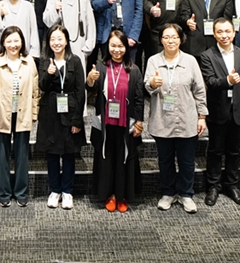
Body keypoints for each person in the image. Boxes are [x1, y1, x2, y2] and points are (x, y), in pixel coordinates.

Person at [145, 23, 208, 214]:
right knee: (165, 160)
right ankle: (167, 193)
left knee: (186, 161)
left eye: (174, 37)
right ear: (161, 40)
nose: (170, 41)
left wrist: (202, 116)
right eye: (166, 37)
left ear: (181, 39)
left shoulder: (190, 61)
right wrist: (152, 84)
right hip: (162, 119)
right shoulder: (153, 61)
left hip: (186, 119)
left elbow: (199, 90)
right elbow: (147, 86)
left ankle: (186, 194)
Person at [0, 25, 40, 207]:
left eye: (16, 40)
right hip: (2, 113)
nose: (13, 45)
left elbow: (35, 90)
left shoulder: (29, 61)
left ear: (22, 42)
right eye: (9, 41)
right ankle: (4, 193)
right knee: (2, 155)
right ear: (3, 43)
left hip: (22, 113)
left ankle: (21, 192)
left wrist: (34, 113)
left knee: (22, 155)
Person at [199, 18, 240, 207]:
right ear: (214, 34)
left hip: (238, 110)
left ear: (234, 32)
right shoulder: (207, 55)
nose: (224, 35)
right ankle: (213, 186)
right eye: (220, 32)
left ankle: (232, 185)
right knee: (215, 151)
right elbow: (210, 82)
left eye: (227, 31)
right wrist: (228, 81)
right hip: (217, 111)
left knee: (234, 151)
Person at [88, 30, 144, 213]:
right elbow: (92, 90)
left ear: (126, 47)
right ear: (108, 47)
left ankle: (122, 196)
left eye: (120, 46)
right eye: (113, 46)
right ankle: (109, 195)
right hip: (105, 123)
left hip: (126, 123)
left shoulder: (134, 70)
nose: (116, 50)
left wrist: (139, 122)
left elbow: (139, 98)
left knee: (124, 159)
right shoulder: (101, 66)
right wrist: (90, 80)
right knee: (107, 159)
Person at [36, 25, 86, 210]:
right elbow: (42, 86)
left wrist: (77, 119)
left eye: (60, 39)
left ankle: (67, 191)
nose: (56, 43)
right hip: (50, 113)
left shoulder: (75, 61)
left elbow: (80, 92)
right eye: (53, 39)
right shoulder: (44, 61)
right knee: (52, 153)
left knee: (69, 153)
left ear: (66, 41)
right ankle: (55, 190)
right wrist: (49, 74)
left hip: (70, 112)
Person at [43, 0, 96, 66]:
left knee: (78, 73)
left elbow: (90, 23)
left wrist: (88, 46)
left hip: (79, 44)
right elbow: (47, 22)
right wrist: (55, 10)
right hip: (59, 45)